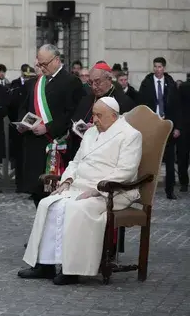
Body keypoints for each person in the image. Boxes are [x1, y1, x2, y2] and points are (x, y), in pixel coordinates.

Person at [18, 97, 142, 285]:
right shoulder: (92, 132)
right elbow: (76, 162)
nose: (94, 120)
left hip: (110, 191)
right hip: (79, 186)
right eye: (93, 114)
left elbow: (126, 171)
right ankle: (45, 265)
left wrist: (96, 189)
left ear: (114, 116)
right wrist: (67, 181)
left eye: (99, 116)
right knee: (48, 204)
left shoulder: (130, 135)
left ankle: (72, 270)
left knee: (77, 209)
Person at [17, 44, 83, 208]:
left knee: (54, 193)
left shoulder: (71, 81)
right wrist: (23, 123)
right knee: (37, 192)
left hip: (55, 144)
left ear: (57, 60)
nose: (41, 67)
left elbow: (72, 113)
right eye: (39, 64)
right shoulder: (36, 82)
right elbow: (24, 107)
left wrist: (48, 127)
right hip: (34, 143)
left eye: (44, 64)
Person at [138, 57, 181, 199]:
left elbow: (176, 107)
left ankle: (170, 190)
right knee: (148, 158)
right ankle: (144, 189)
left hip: (167, 124)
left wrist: (177, 127)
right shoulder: (146, 83)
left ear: (164, 68)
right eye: (155, 66)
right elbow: (141, 105)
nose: (157, 69)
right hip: (152, 124)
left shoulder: (170, 83)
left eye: (160, 67)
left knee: (169, 159)